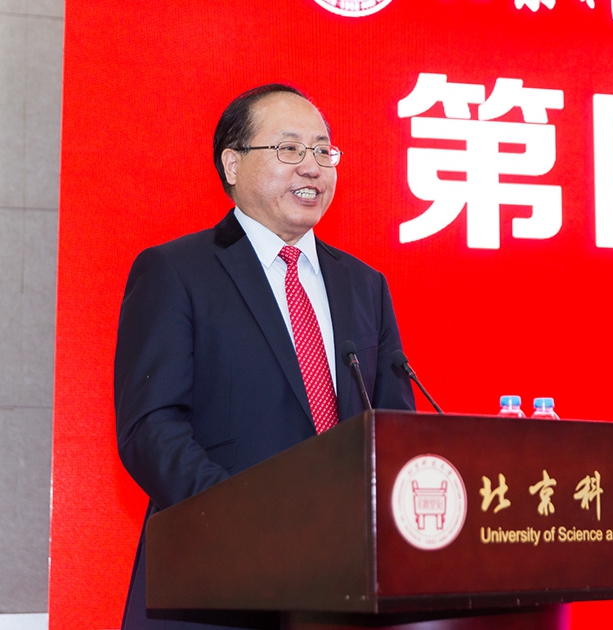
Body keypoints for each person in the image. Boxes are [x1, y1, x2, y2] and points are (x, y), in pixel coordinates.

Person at [114, 84, 415, 629]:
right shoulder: (176, 271)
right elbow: (151, 430)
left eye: (323, 151)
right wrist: (249, 520)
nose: (312, 167)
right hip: (214, 587)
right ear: (232, 164)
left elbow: (394, 430)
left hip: (343, 588)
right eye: (289, 148)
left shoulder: (364, 284)